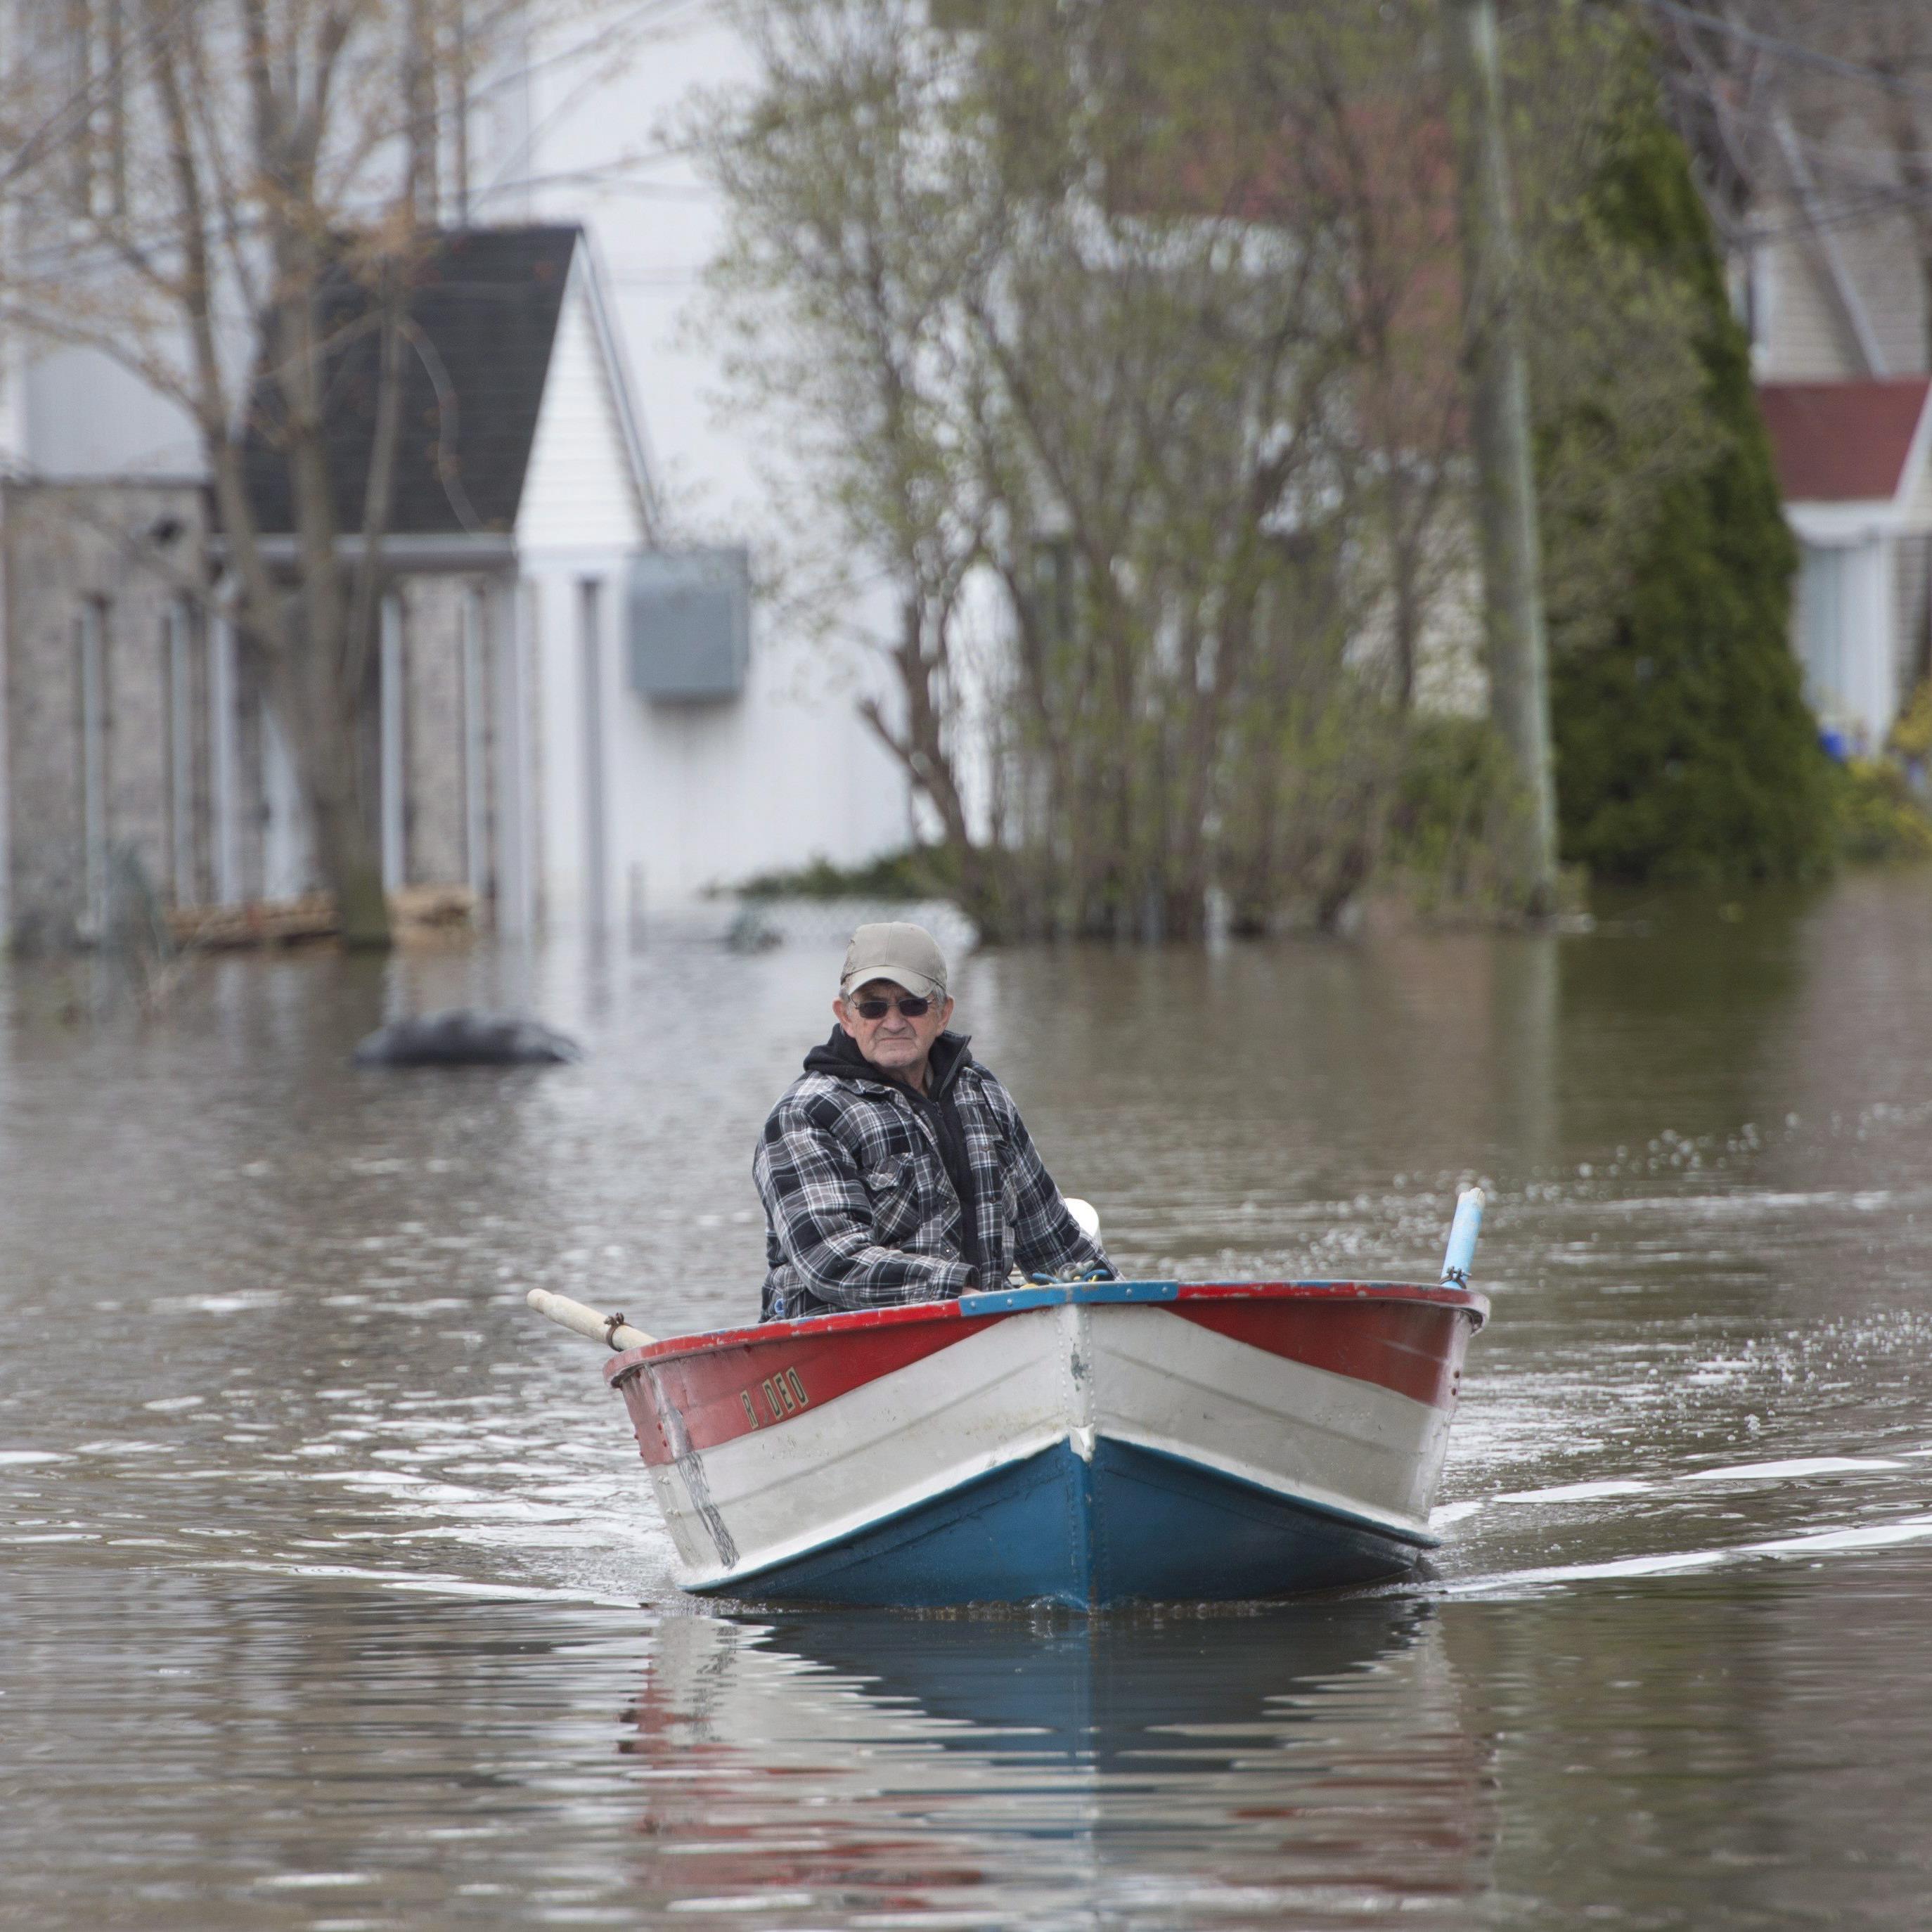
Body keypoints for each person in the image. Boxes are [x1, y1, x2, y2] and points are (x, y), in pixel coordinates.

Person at [754, 921, 1111, 1321]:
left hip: (986, 1333)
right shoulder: (803, 1116)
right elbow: (831, 1261)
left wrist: (1121, 1303)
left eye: (912, 1004)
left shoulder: (984, 1095)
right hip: (841, 1345)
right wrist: (957, 1291)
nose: (893, 1021)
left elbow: (1052, 1237)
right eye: (873, 1006)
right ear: (846, 1017)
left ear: (943, 1013)